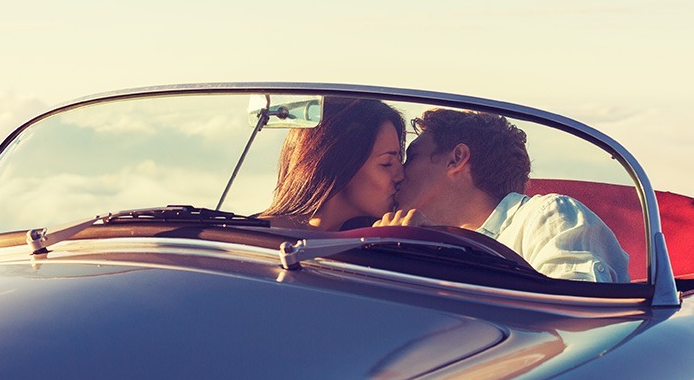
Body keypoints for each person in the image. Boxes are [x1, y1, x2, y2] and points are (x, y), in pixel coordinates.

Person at [376, 108, 629, 282]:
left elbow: (573, 318)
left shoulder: (547, 215)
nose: (399, 171)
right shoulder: (420, 237)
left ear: (456, 159)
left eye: (412, 156)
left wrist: (449, 251)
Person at [263, 97, 405, 231]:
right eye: (387, 163)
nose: (401, 176)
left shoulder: (366, 246)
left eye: (400, 160)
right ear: (341, 161)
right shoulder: (255, 239)